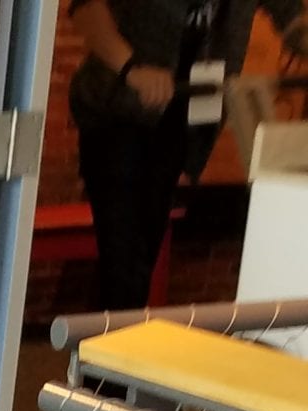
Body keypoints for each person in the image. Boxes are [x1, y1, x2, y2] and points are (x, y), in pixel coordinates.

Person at [69, 0, 308, 314]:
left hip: (178, 122)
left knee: (137, 258)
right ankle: (101, 349)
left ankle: (94, 346)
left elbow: (291, 15)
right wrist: (131, 68)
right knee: (124, 259)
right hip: (117, 115)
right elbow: (86, 7)